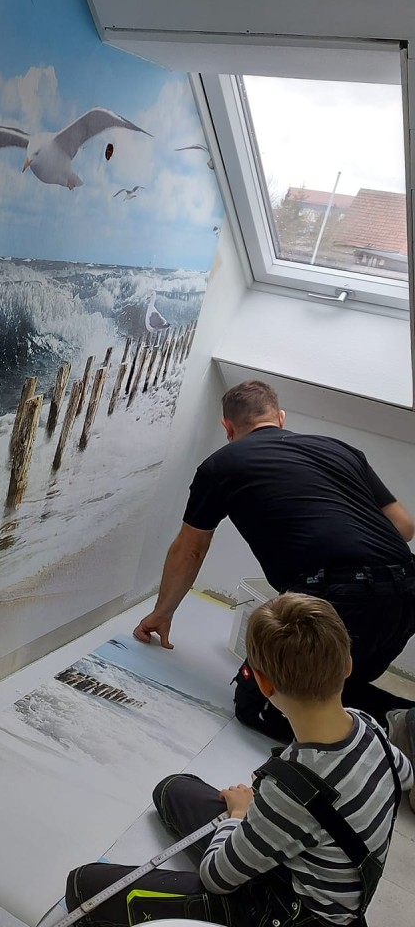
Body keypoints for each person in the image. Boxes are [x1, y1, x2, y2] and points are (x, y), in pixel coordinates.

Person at [66, 594, 413, 927]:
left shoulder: (291, 791)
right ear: (348, 663)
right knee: (172, 789)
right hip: (305, 858)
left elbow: (216, 877)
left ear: (263, 684)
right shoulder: (368, 726)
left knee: (82, 887)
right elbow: (404, 774)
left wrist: (240, 815)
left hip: (291, 913)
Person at [134, 379, 415, 741]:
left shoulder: (222, 465)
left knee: (262, 701)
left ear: (228, 427)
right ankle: (392, 722)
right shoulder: (341, 449)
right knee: (332, 681)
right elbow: (404, 527)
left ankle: (400, 727)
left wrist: (163, 612)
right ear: (280, 418)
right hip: (406, 592)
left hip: (337, 597)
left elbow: (191, 548)